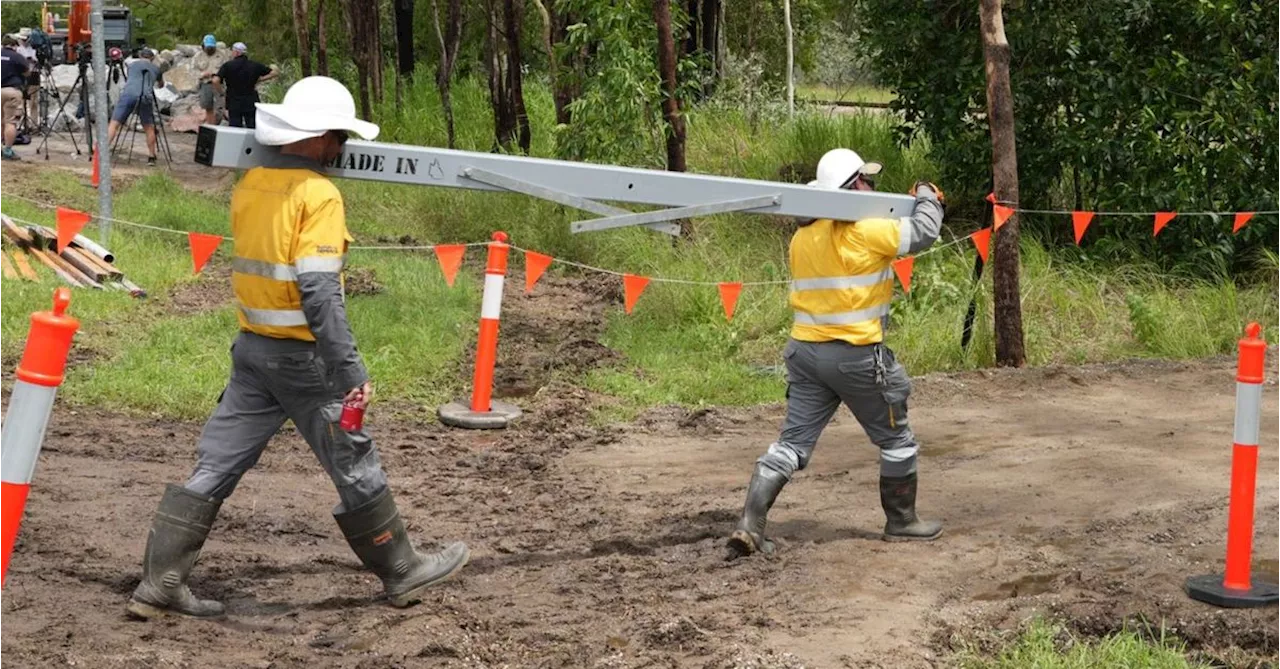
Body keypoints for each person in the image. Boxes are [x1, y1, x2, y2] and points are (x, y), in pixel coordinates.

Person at [125, 75, 470, 620]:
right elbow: (317, 287)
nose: (341, 149)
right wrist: (349, 367)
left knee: (216, 463)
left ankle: (161, 581)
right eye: (339, 137)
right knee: (353, 457)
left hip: (252, 352)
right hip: (304, 360)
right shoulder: (319, 194)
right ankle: (402, 570)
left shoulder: (252, 183)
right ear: (320, 137)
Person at [725, 148, 947, 559]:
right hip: (856, 357)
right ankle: (902, 522)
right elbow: (923, 232)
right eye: (866, 180)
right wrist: (927, 196)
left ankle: (750, 525)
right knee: (897, 440)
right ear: (854, 186)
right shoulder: (867, 229)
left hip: (806, 354)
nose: (871, 186)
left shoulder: (803, 235)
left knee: (791, 444)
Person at [106, 48, 164, 166]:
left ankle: (102, 151)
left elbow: (129, 76)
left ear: (140, 56)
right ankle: (151, 157)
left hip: (128, 94)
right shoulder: (156, 69)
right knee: (149, 127)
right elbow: (161, 84)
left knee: (114, 123)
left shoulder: (131, 65)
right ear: (152, 58)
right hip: (145, 96)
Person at [213, 42, 277, 129]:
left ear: (236, 52)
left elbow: (215, 80)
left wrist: (221, 92)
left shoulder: (228, 66)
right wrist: (260, 79)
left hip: (234, 101)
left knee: (235, 128)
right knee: (252, 127)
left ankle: (236, 142)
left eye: (232, 51)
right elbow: (274, 73)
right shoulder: (255, 65)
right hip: (251, 100)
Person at [0, 36, 30, 161]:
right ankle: (7, 150)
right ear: (14, 46)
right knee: (10, 122)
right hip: (12, 91)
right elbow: (27, 72)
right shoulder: (17, 57)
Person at [192, 34, 226, 125]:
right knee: (208, 107)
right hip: (205, 83)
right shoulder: (198, 56)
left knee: (220, 107)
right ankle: (211, 126)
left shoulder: (222, 55)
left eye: (212, 47)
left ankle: (218, 124)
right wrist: (202, 74)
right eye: (208, 47)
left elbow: (226, 68)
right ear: (203, 46)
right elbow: (193, 71)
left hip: (218, 84)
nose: (210, 49)